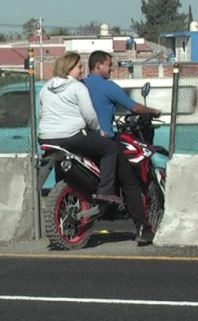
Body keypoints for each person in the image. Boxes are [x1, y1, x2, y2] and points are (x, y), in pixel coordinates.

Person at [84, 50, 162, 245]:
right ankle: (143, 228)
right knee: (130, 182)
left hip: (83, 138)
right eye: (109, 65)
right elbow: (134, 107)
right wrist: (153, 111)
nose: (111, 68)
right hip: (106, 139)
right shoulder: (107, 86)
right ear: (99, 65)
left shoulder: (81, 85)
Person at [38, 51, 123, 205]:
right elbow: (89, 115)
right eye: (79, 67)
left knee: (60, 158)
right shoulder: (77, 87)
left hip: (46, 137)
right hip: (72, 136)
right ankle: (105, 191)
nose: (82, 71)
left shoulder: (46, 88)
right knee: (109, 148)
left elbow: (41, 112)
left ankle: (63, 194)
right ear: (69, 67)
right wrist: (98, 131)